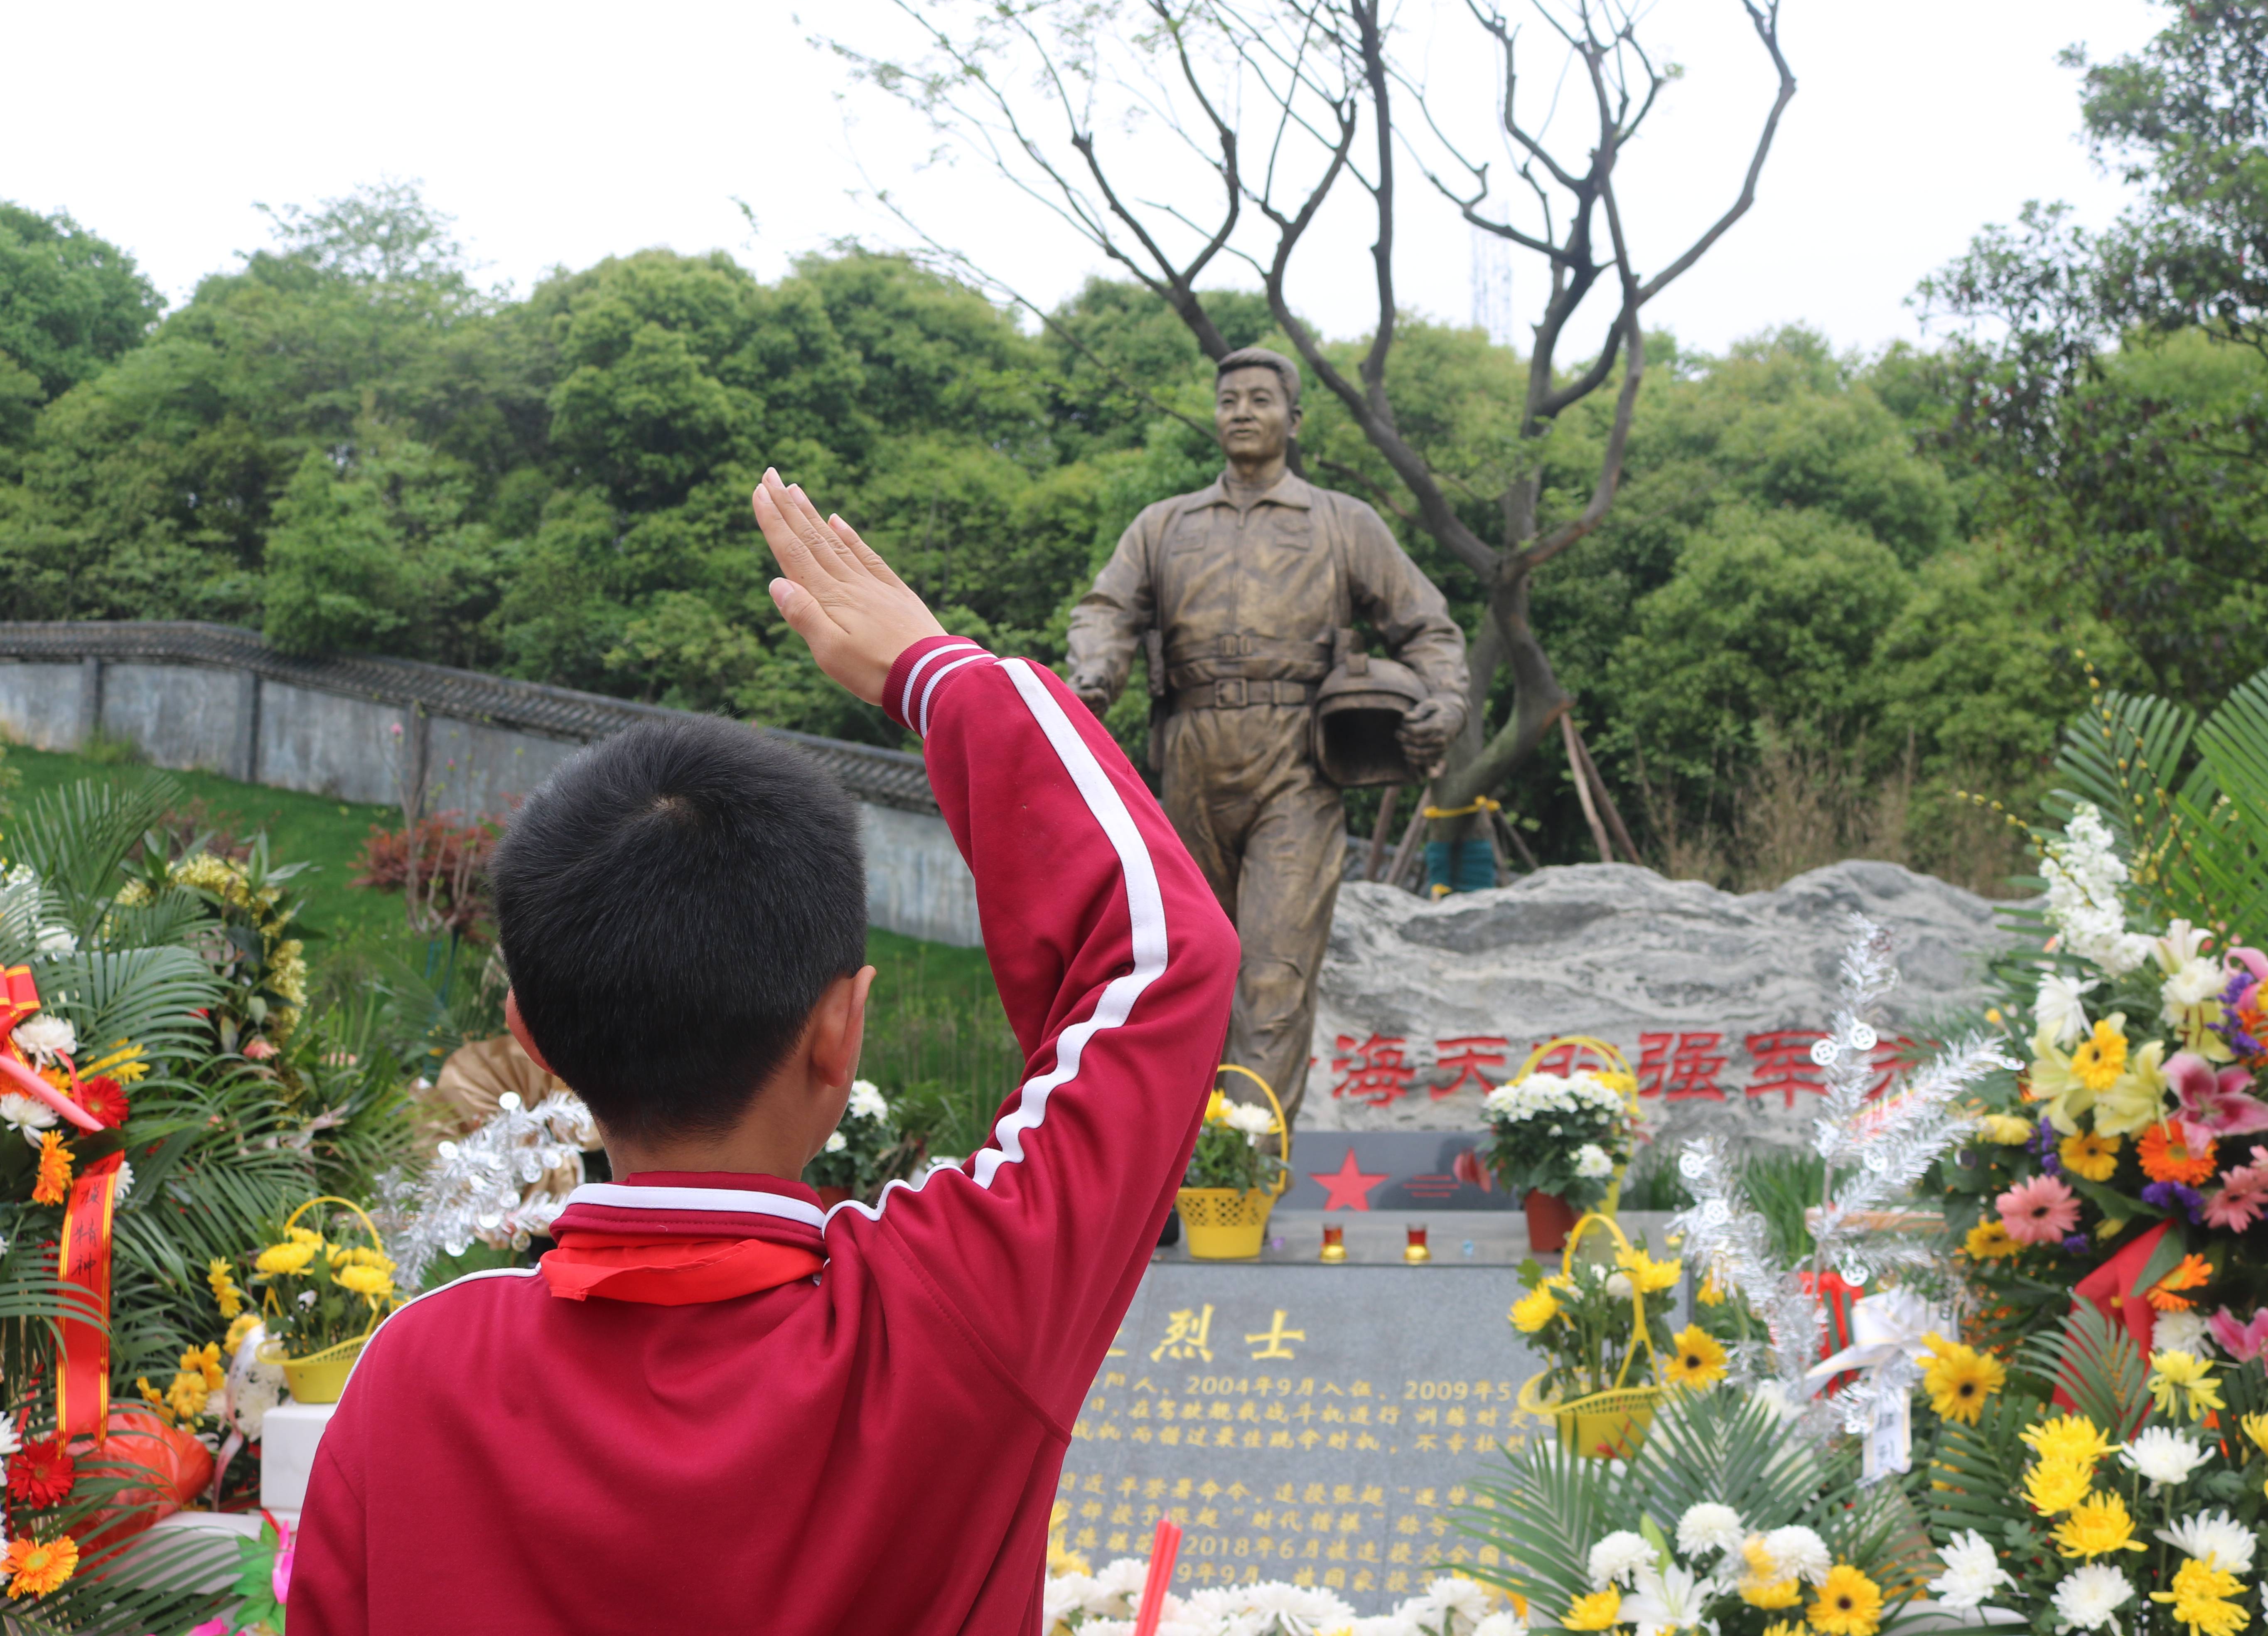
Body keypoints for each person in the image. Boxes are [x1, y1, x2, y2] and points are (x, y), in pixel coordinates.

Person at [289, 470, 1240, 1634]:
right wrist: (940, 674)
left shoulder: (415, 1379)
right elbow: (1167, 956)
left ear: (532, 1042)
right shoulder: (945, 1321)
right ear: (841, 1030)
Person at [1066, 347, 1467, 1122]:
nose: (1242, 412)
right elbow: (1106, 611)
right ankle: (1179, 1170)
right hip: (1188, 757)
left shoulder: (1343, 523)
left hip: (1299, 764)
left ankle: (1247, 1171)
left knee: (1274, 973)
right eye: (1228, 400)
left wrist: (1445, 702)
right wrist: (1095, 674)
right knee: (1185, 974)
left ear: (1294, 419)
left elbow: (1428, 626)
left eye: (1259, 399)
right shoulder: (1165, 525)